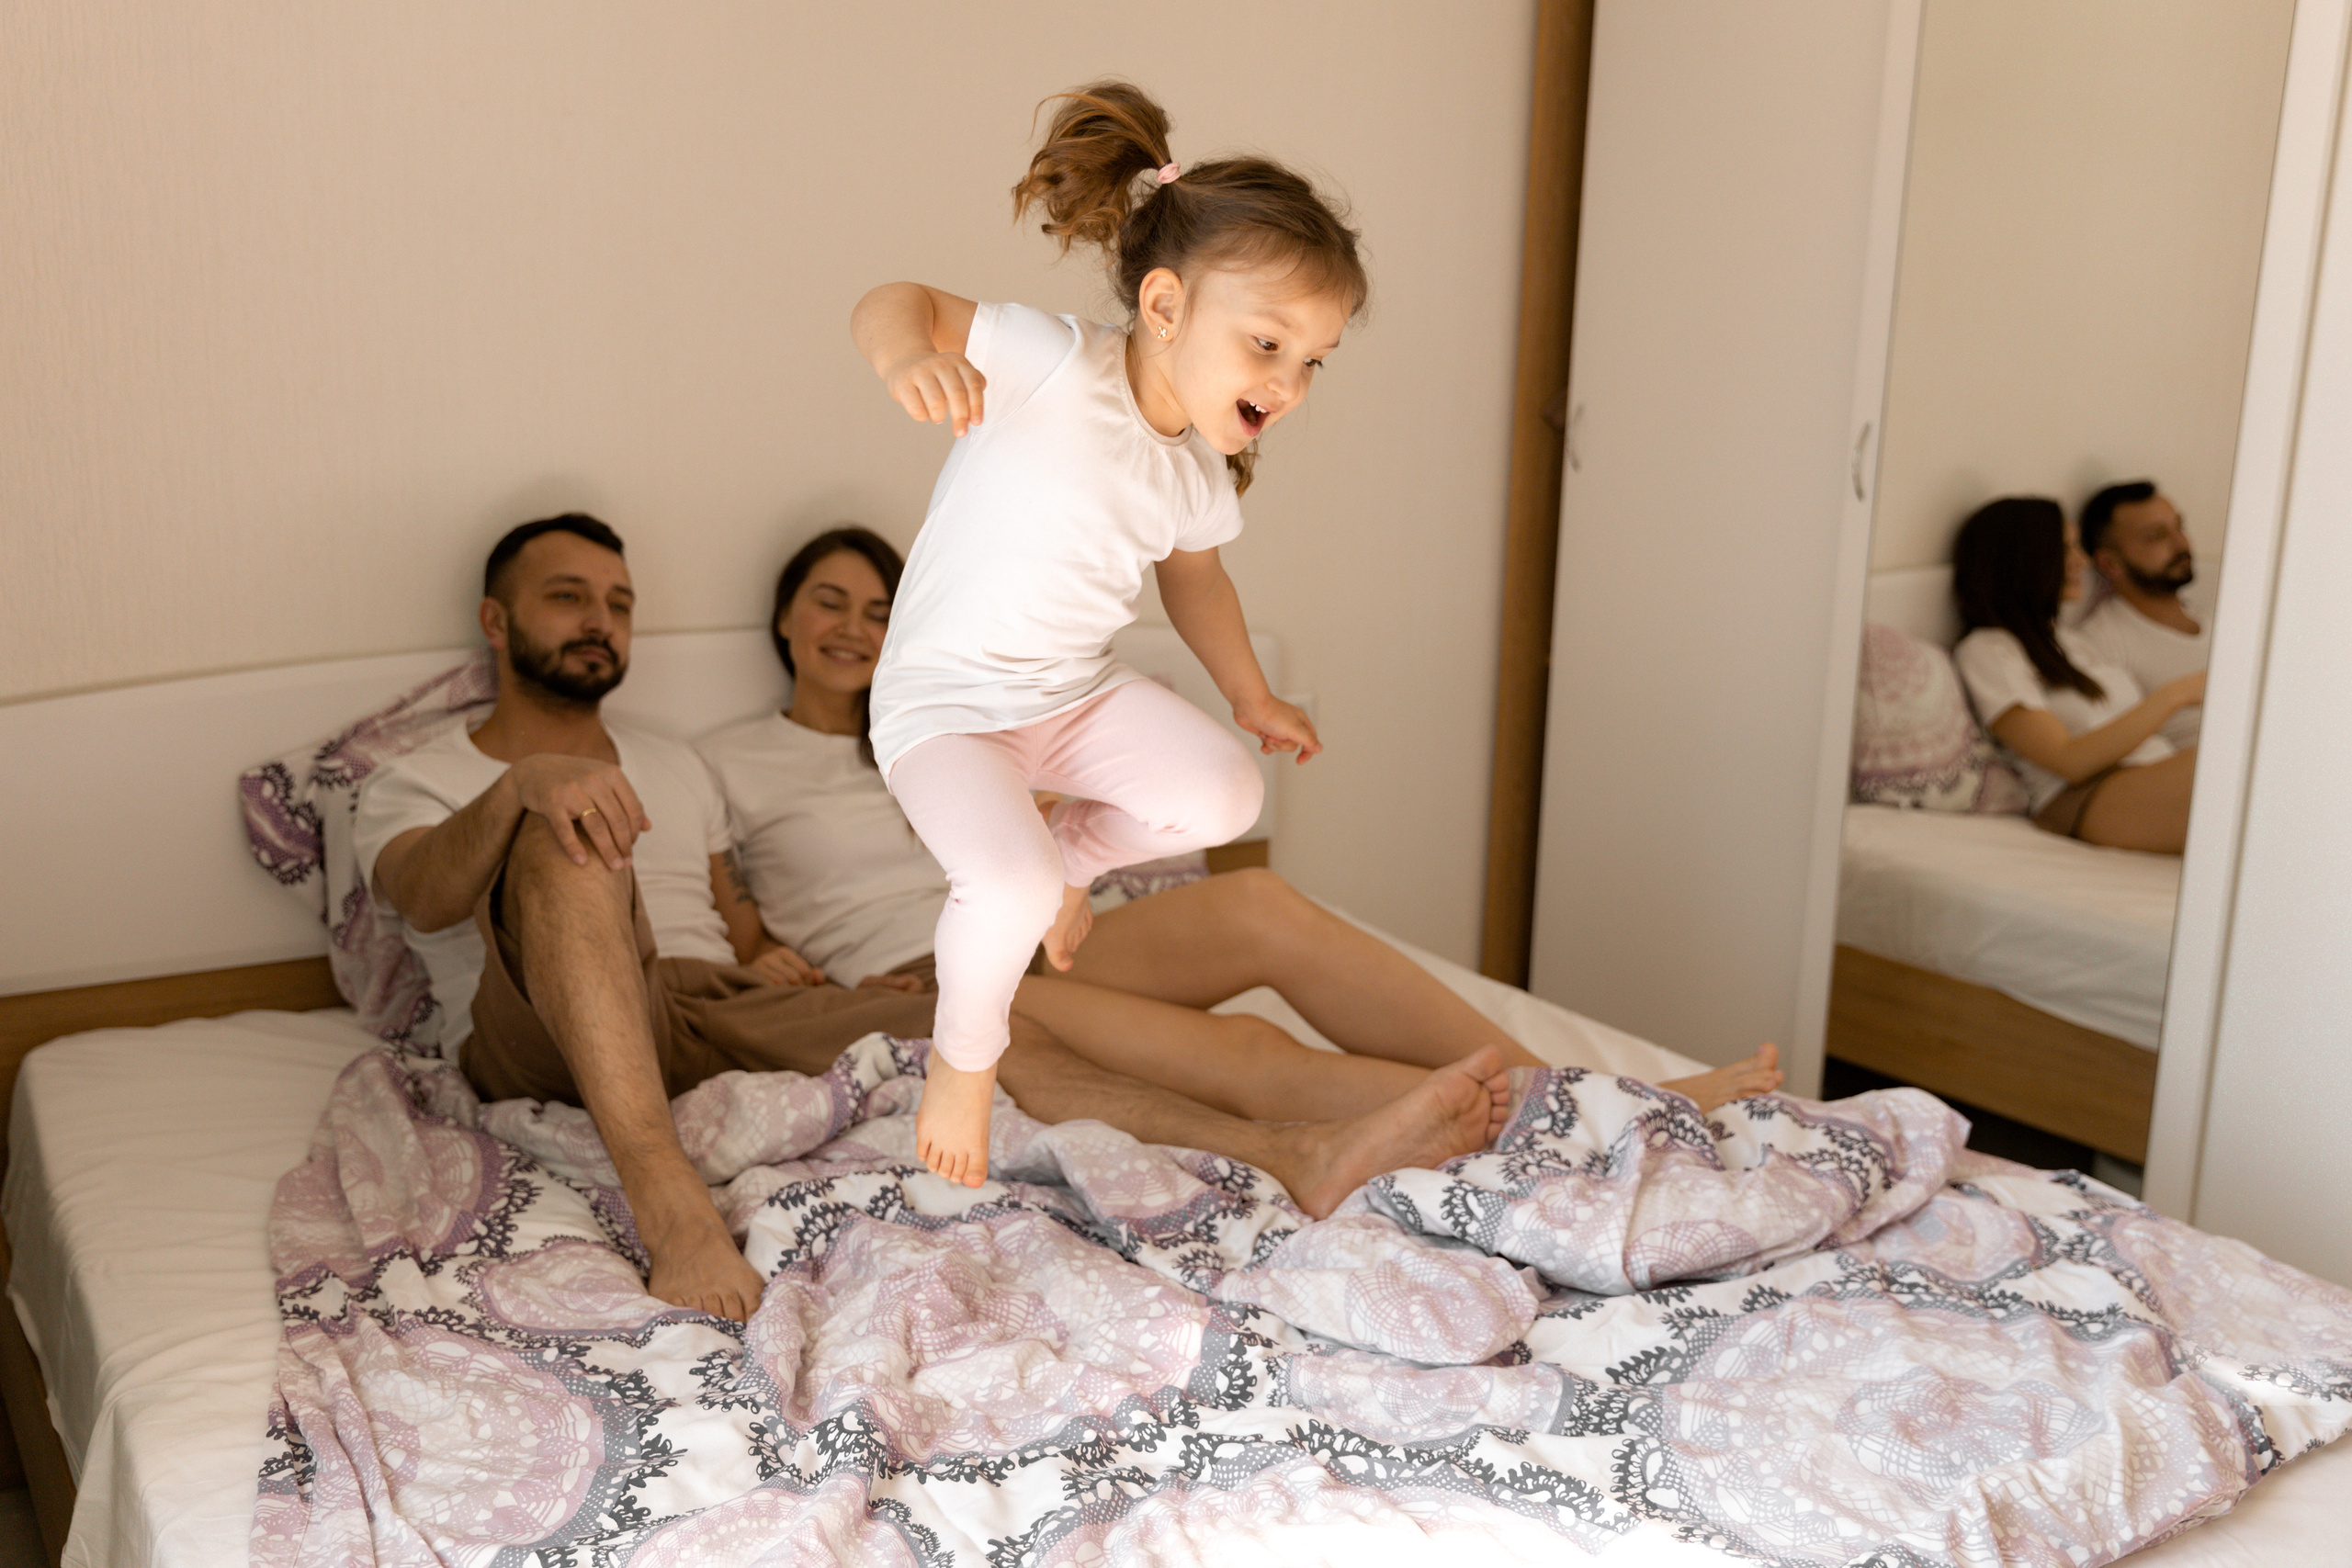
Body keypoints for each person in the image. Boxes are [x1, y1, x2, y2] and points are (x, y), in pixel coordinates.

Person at [354, 515, 1573, 1325]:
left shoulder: (677, 759)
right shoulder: (425, 771)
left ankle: (1319, 1147)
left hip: (730, 1000)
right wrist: (523, 790)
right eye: (568, 596)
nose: (600, 619)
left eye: (618, 601)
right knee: (568, 838)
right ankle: (665, 1195)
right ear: (496, 618)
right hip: (549, 1013)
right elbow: (416, 890)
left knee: (984, 1040)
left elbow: (730, 912)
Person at [698, 525, 1783, 1149]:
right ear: (785, 620)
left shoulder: (970, 722)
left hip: (1049, 934)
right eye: (829, 602)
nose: (854, 626)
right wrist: (756, 955)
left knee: (1260, 904)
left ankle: (1592, 1088)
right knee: (1245, 1053)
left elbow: (1058, 827)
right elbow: (722, 911)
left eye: (880, 608)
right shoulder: (726, 761)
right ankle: (1566, 1119)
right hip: (924, 981)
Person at [850, 81, 1358, 1185]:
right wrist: (907, 360)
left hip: (1070, 698)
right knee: (1010, 885)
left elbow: (1199, 588)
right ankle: (963, 1061)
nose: (1292, 382)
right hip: (944, 707)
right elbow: (897, 298)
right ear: (1167, 307)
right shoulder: (1054, 362)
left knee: (1227, 794)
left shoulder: (1193, 471)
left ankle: (1074, 861)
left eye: (1313, 359)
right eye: (1270, 343)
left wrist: (1252, 699)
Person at [1950, 497, 2204, 853]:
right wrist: (2177, 693)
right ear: (2026, 559)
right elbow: (2069, 760)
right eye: (2066, 549)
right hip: (2088, 794)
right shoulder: (1988, 650)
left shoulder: (2071, 642)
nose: (2081, 562)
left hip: (2150, 772)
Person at [2073, 480, 2210, 750]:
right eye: (2157, 536)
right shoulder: (2101, 643)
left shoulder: (2224, 622)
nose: (2181, 543)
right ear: (2110, 564)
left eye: (2179, 526)